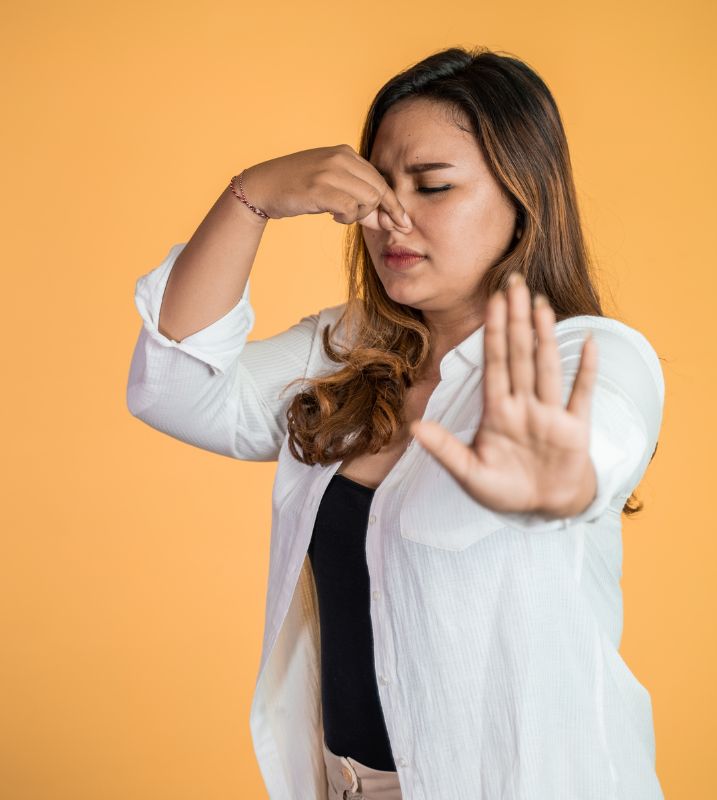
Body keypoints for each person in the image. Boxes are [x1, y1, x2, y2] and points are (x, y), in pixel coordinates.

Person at [126, 45, 665, 800]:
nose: (392, 218)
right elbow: (175, 389)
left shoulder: (585, 353)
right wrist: (250, 196)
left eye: (434, 186)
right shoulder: (345, 349)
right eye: (379, 187)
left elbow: (603, 437)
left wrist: (561, 478)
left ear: (524, 200)